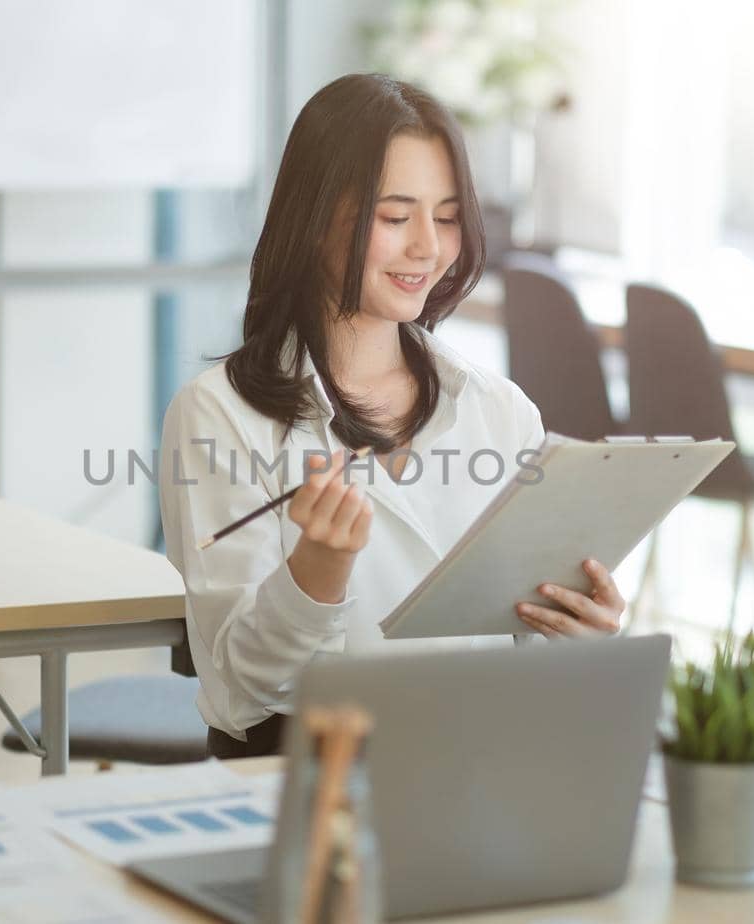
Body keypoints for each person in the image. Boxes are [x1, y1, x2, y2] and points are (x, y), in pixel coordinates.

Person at [159, 74, 625, 758]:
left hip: (478, 767)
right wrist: (314, 575)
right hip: (308, 780)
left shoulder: (499, 411)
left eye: (445, 217)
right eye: (395, 216)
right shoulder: (218, 413)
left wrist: (579, 634)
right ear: (317, 218)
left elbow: (518, 648)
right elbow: (243, 692)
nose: (428, 249)